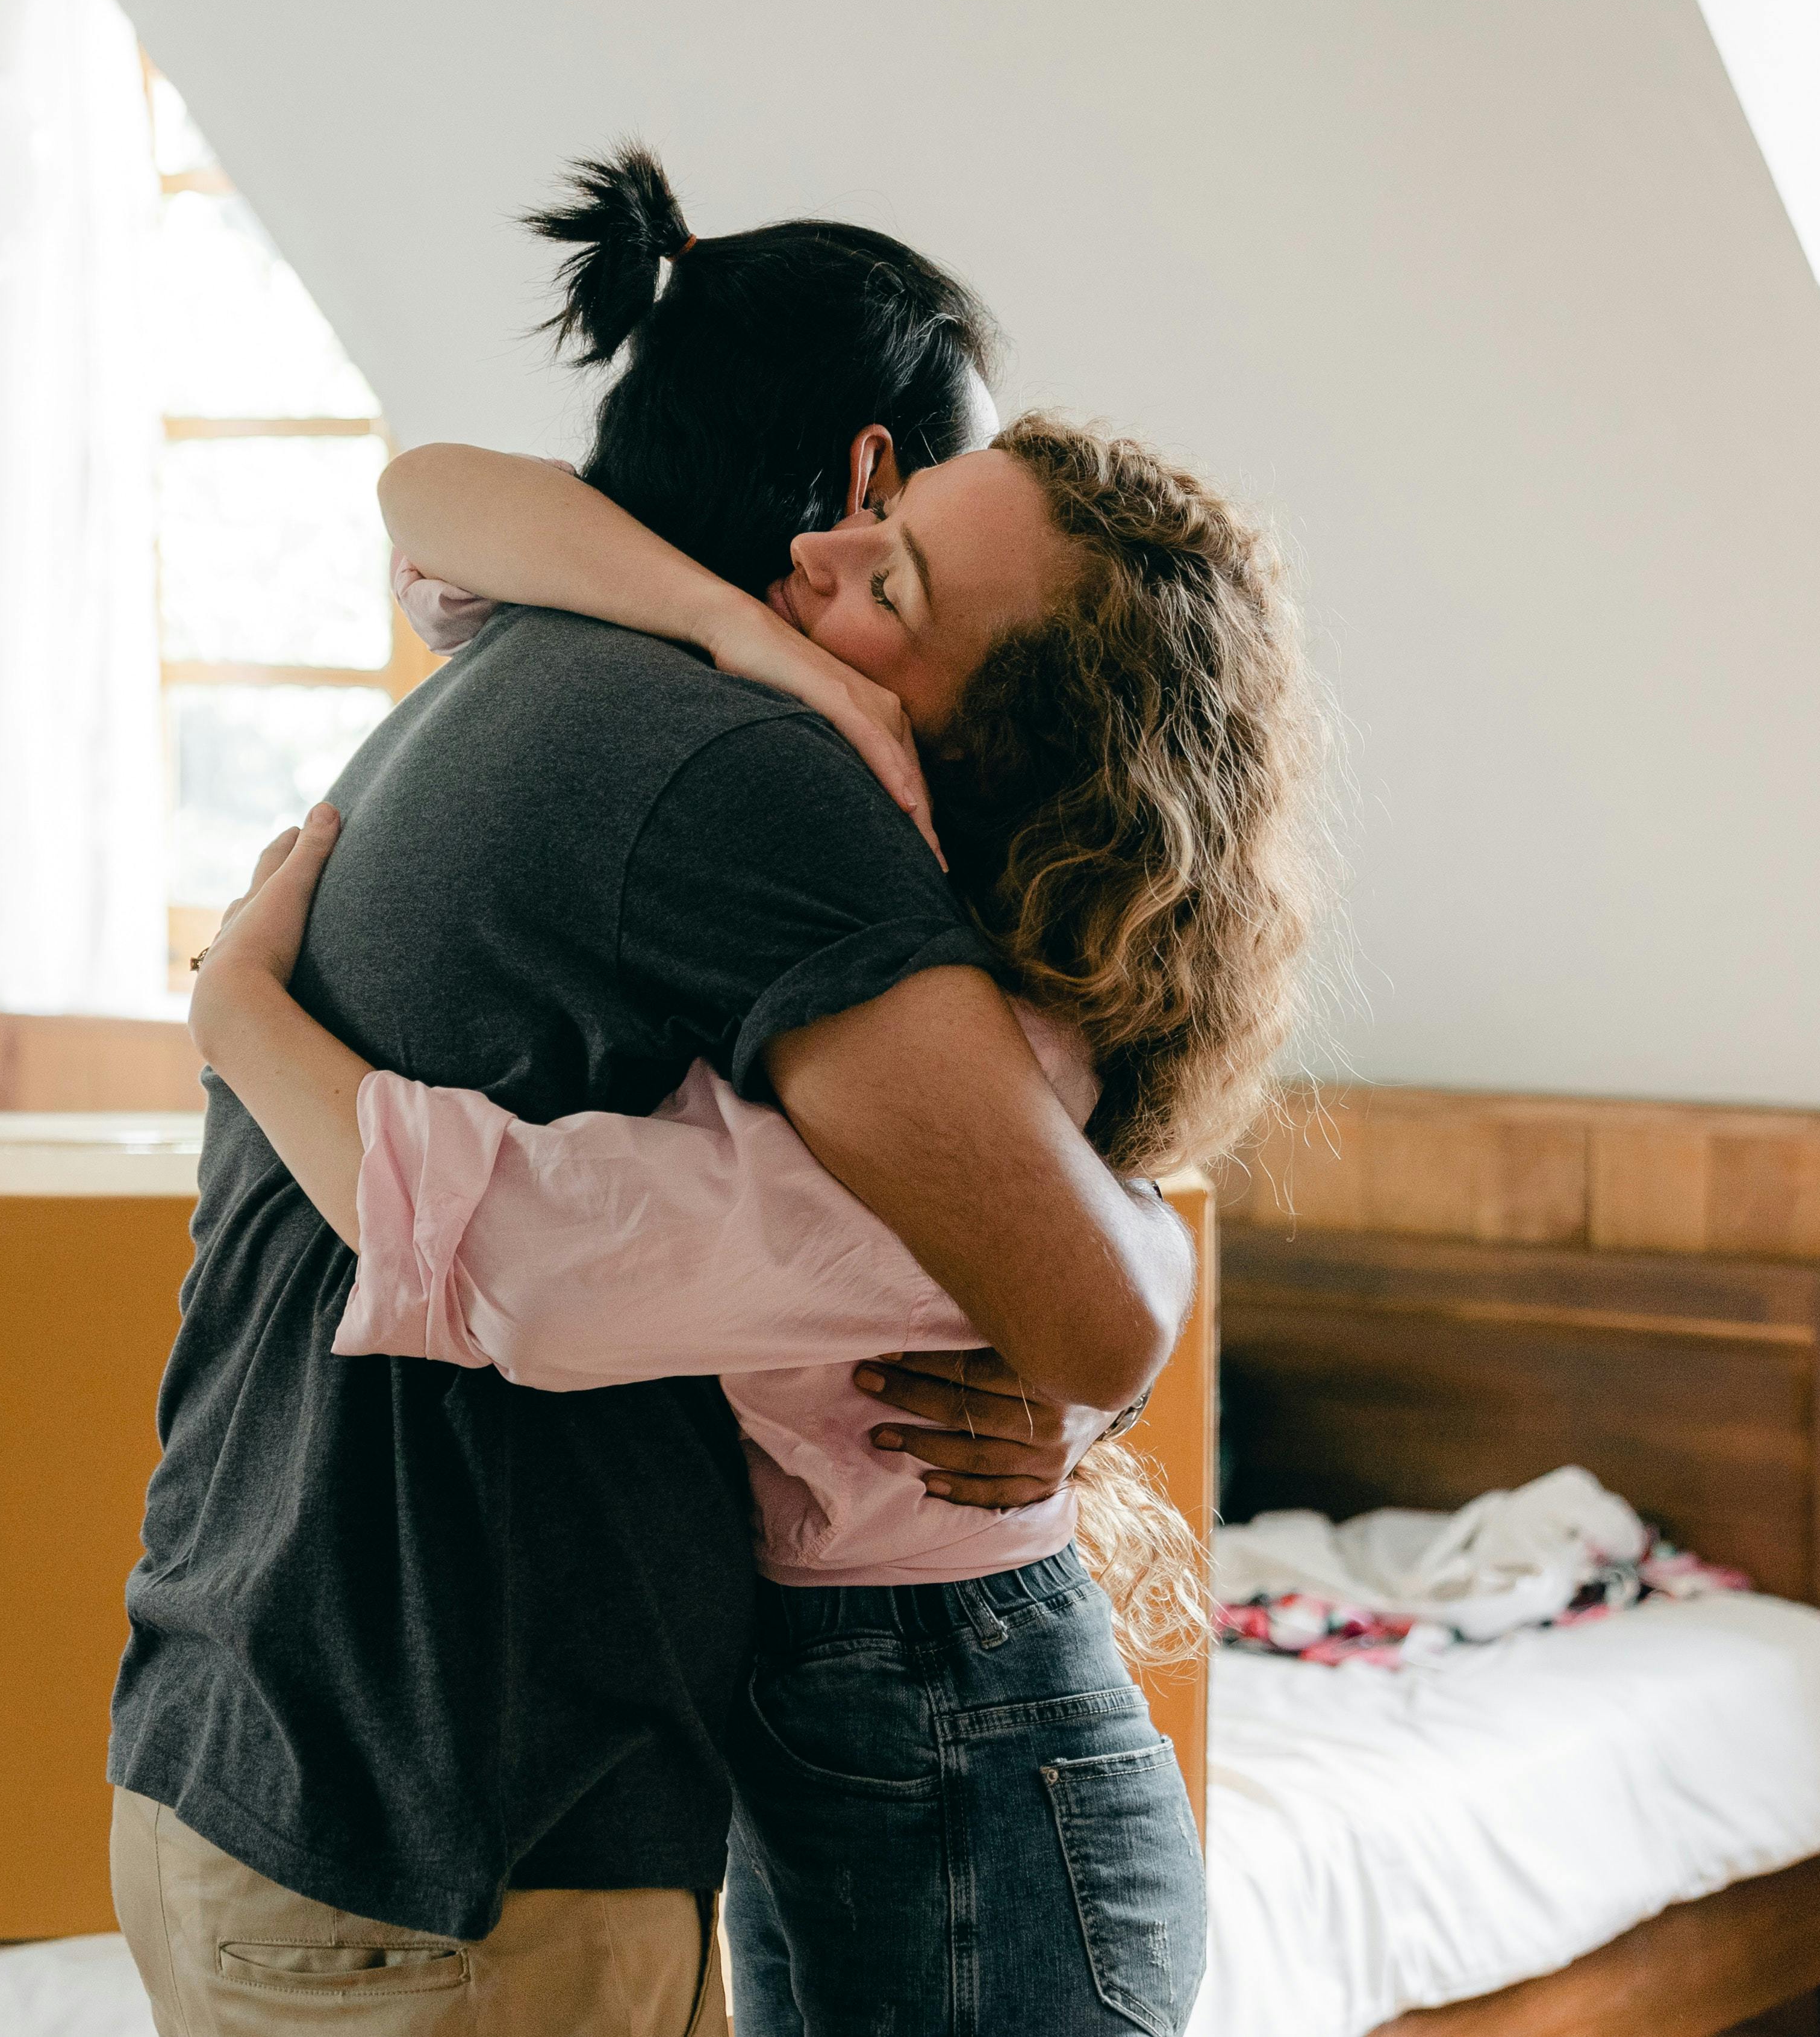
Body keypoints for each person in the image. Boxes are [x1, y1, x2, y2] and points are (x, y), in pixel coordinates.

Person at [104, 149, 1196, 2036]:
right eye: (930, 497)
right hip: (453, 1813)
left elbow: (432, 489)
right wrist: (233, 1010)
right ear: (866, 474)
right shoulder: (749, 769)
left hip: (274, 1742)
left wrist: (235, 1004)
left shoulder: (531, 662)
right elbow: (1067, 1298)